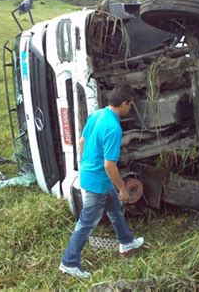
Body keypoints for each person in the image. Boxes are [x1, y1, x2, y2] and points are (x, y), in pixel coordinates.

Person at [59, 83, 144, 279]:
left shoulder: (97, 114)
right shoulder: (114, 128)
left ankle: (126, 241)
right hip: (98, 181)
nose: (129, 109)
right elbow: (109, 166)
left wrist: (87, 164)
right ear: (124, 104)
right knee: (87, 223)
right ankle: (69, 262)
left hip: (93, 176)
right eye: (130, 105)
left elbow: (81, 142)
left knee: (114, 210)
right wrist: (122, 188)